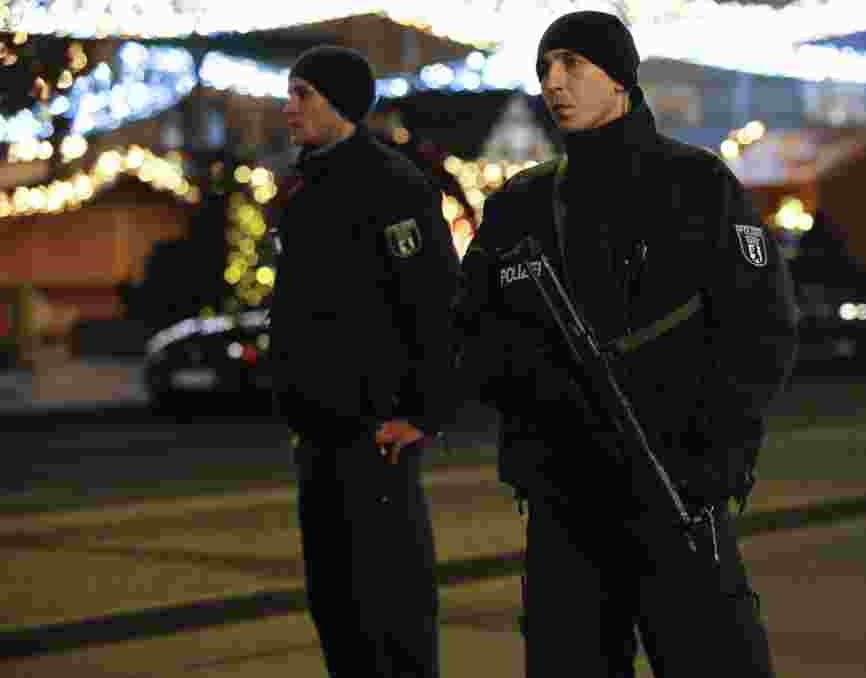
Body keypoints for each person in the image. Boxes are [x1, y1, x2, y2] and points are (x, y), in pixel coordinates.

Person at [455, 11, 798, 677]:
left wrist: (715, 454)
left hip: (674, 488)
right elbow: (472, 328)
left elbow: (762, 328)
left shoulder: (695, 186)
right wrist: (534, 394)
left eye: (573, 64)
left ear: (620, 79)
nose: (554, 82)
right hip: (565, 499)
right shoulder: (521, 205)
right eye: (545, 68)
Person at [269, 45, 459, 678]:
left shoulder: (391, 182)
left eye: (304, 95)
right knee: (337, 607)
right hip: (318, 434)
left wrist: (422, 413)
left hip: (379, 434)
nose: (289, 107)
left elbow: (434, 303)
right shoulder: (301, 185)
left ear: (342, 103)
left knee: (391, 609)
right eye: (290, 93)